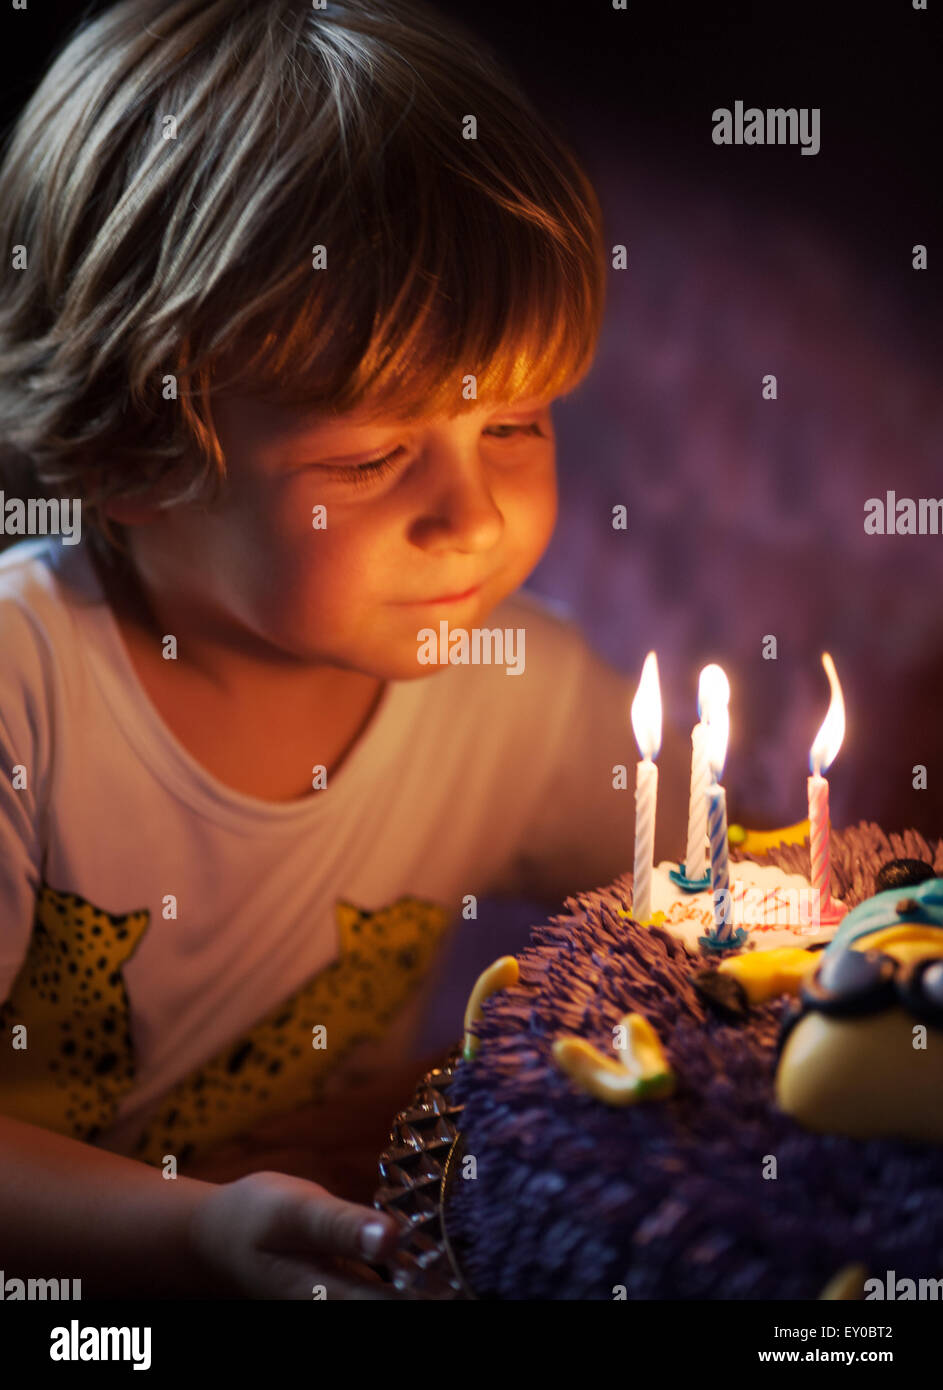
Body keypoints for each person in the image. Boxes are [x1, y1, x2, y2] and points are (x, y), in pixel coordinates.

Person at [0, 0, 687, 1298]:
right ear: (123, 454)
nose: (474, 517)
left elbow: (740, 906)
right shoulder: (23, 688)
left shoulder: (520, 694)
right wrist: (190, 1228)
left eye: (519, 424)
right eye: (374, 457)